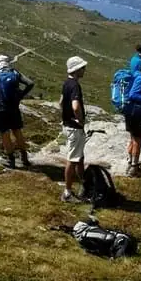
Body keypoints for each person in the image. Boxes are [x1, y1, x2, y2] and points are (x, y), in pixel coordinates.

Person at [0, 56, 35, 169]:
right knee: (17, 131)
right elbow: (30, 83)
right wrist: (21, 95)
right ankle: (24, 158)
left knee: (4, 134)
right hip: (13, 108)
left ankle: (11, 160)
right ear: (8, 62)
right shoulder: (15, 73)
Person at [61, 56, 90, 202]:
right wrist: (80, 120)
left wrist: (66, 117)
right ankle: (67, 193)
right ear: (77, 69)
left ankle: (84, 183)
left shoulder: (67, 83)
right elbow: (75, 106)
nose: (84, 70)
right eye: (83, 68)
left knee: (79, 157)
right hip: (75, 127)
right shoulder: (75, 86)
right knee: (72, 159)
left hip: (68, 125)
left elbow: (61, 102)